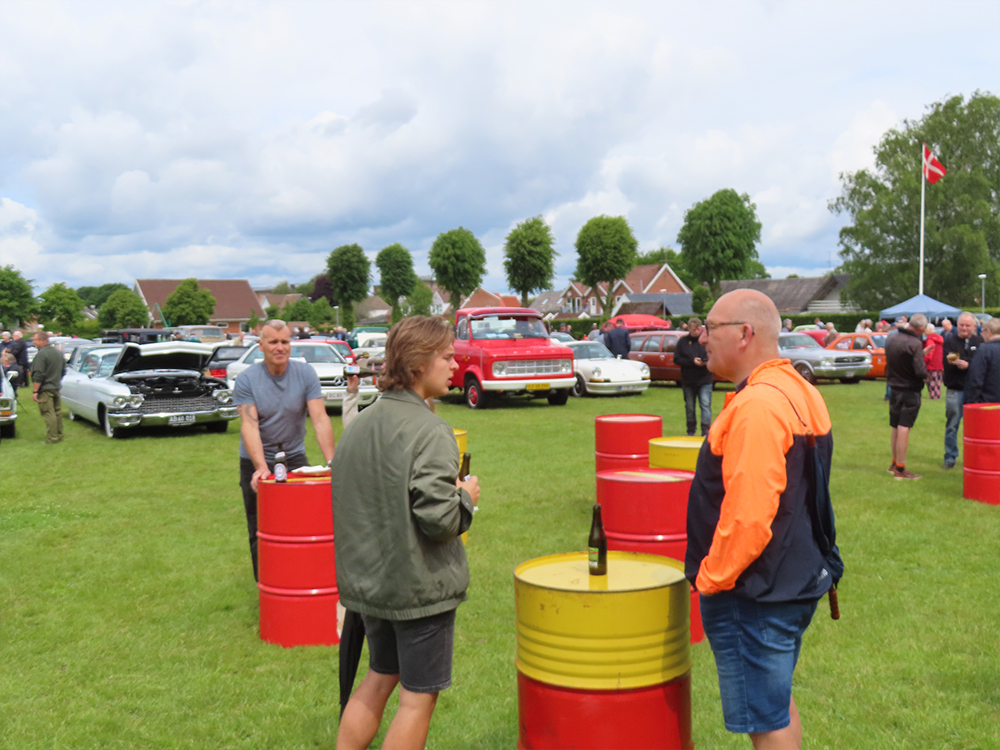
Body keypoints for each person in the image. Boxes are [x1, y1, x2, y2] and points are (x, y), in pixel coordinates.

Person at [686, 289, 839, 750]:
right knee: (776, 705)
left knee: (766, 721)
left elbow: (749, 516)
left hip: (754, 591)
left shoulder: (757, 406)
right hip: (793, 580)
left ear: (744, 334)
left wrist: (712, 579)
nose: (701, 338)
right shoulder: (798, 389)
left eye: (710, 328)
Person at [331, 316, 479, 750]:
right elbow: (440, 520)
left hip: (371, 587)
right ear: (418, 363)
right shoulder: (431, 430)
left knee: (379, 677)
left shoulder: (359, 425)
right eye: (447, 357)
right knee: (417, 699)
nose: (455, 365)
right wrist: (465, 497)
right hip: (418, 590)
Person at [233, 319, 336, 581]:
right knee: (259, 525)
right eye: (273, 342)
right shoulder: (247, 379)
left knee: (304, 520)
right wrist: (261, 468)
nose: (280, 347)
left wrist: (332, 462)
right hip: (256, 460)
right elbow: (249, 425)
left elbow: (320, 418)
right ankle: (266, 585)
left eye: (285, 342)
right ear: (261, 346)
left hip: (294, 457)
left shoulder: (306, 374)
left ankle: (300, 578)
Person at [885, 314, 928, 480]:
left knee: (895, 425)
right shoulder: (915, 343)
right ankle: (901, 469)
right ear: (921, 328)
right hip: (910, 389)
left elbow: (899, 360)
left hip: (894, 387)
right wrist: (926, 371)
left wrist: (920, 355)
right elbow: (919, 371)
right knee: (904, 426)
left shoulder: (892, 338)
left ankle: (894, 463)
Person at [941, 312, 984, 469]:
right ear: (957, 325)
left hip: (975, 391)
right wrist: (965, 363)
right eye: (961, 325)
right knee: (952, 425)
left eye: (967, 325)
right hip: (955, 389)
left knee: (977, 426)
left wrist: (968, 364)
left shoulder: (980, 341)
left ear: (974, 326)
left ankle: (977, 458)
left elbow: (981, 362)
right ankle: (950, 457)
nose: (964, 328)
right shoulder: (950, 341)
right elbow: (950, 360)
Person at [673, 317, 713, 437]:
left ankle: (705, 430)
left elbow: (714, 355)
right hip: (688, 380)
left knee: (705, 405)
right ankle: (691, 430)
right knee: (690, 407)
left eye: (698, 329)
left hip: (705, 379)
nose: (696, 331)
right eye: (694, 329)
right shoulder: (683, 342)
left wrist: (706, 362)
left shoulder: (706, 341)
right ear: (689, 329)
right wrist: (691, 361)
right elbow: (676, 359)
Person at [29, 331, 65, 444]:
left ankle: (52, 438)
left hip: (45, 388)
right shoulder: (58, 353)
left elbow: (39, 374)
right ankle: (59, 435)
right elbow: (63, 370)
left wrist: (35, 391)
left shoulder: (42, 354)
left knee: (48, 413)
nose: (33, 342)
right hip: (56, 386)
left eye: (35, 340)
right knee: (57, 411)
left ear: (41, 340)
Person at [963, 317, 1000, 405]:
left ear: (989, 332)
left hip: (988, 404)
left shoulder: (984, 350)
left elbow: (975, 379)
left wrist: (971, 402)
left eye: (982, 332)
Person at [922, 323, 944, 400]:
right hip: (939, 364)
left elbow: (929, 352)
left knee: (931, 381)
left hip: (931, 364)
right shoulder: (939, 339)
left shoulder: (930, 339)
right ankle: (936, 396)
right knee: (937, 381)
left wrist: (924, 360)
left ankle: (933, 396)